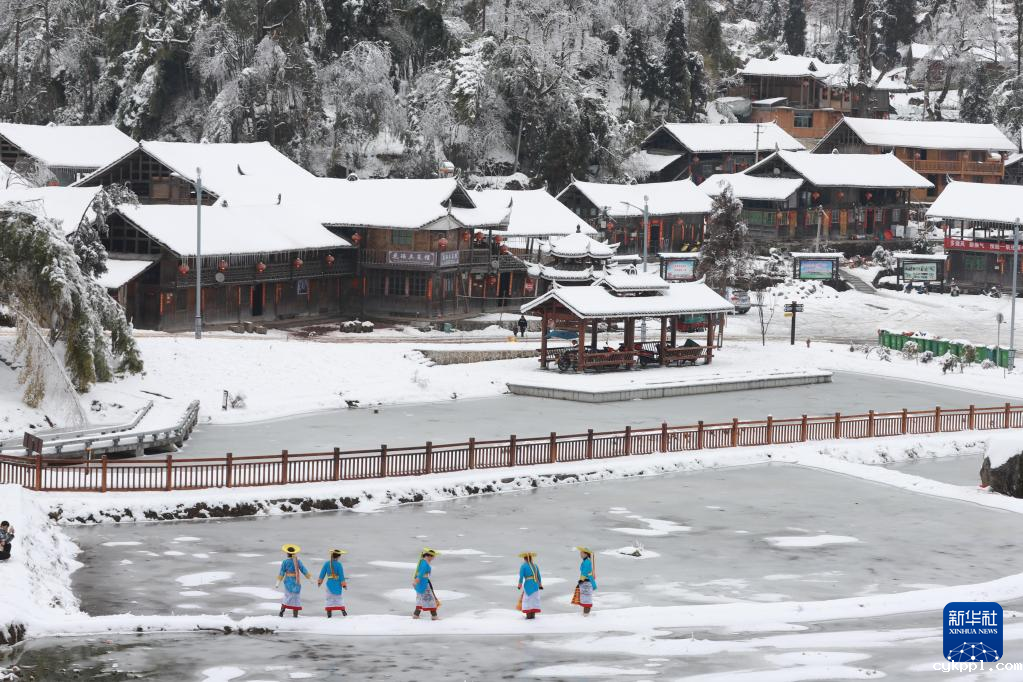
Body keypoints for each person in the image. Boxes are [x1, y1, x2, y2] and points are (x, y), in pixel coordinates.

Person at [275, 543, 311, 617]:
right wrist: (309, 578)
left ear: (287, 553)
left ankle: (282, 611)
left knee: (287, 596)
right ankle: (295, 615)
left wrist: (278, 582)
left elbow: (282, 572)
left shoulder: (285, 562)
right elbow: (303, 569)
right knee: (296, 598)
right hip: (295, 581)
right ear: (294, 553)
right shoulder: (298, 561)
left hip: (288, 581)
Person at [317, 549, 348, 618]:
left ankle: (329, 614)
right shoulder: (339, 564)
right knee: (339, 598)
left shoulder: (327, 563)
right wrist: (344, 585)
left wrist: (320, 582)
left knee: (329, 598)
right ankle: (343, 612)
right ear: (338, 557)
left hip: (329, 583)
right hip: (337, 584)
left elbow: (322, 573)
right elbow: (341, 576)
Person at [412, 548, 441, 620]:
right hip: (423, 583)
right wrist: (416, 581)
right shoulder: (424, 563)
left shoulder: (422, 562)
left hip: (423, 582)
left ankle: (416, 614)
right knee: (431, 599)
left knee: (421, 598)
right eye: (433, 556)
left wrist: (416, 581)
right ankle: (434, 616)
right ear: (429, 556)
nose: (433, 558)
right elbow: (421, 573)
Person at [516, 551, 543, 619]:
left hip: (528, 585)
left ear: (525, 559)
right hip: (535, 585)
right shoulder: (535, 566)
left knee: (527, 600)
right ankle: (533, 616)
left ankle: (528, 616)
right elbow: (539, 576)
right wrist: (540, 585)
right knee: (534, 600)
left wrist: (519, 585)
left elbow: (521, 577)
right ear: (531, 558)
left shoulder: (523, 566)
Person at [571, 546, 597, 616]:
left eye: (581, 553)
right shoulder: (586, 561)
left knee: (586, 599)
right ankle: (585, 614)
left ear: (586, 554)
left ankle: (586, 615)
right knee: (585, 598)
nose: (580, 554)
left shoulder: (587, 562)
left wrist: (581, 580)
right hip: (585, 581)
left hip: (586, 581)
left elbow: (585, 572)